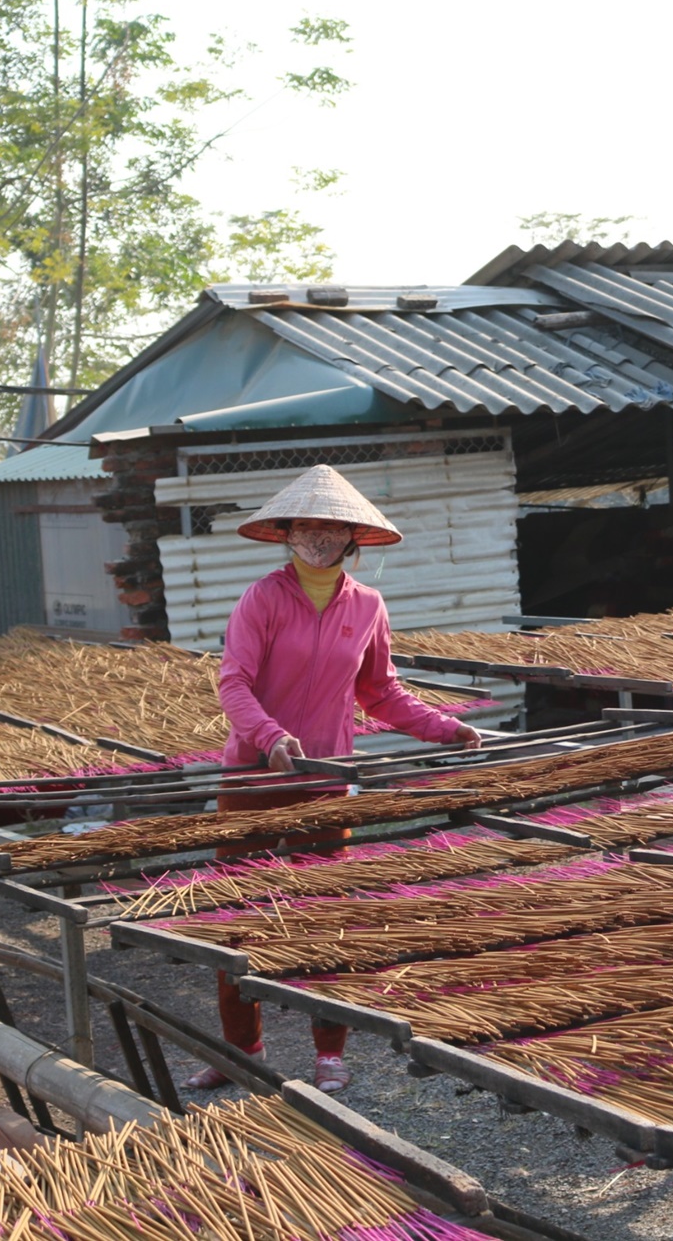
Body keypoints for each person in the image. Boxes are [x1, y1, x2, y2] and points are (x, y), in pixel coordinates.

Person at [185, 464, 482, 1094]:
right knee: (238, 914)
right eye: (308, 525)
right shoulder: (262, 598)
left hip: (327, 782)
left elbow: (380, 691)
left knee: (326, 916)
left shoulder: (367, 605)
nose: (319, 536)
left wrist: (445, 728)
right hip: (253, 779)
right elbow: (233, 682)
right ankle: (243, 1050)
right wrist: (268, 737)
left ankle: (328, 1053)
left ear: (353, 538)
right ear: (288, 532)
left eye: (332, 527)